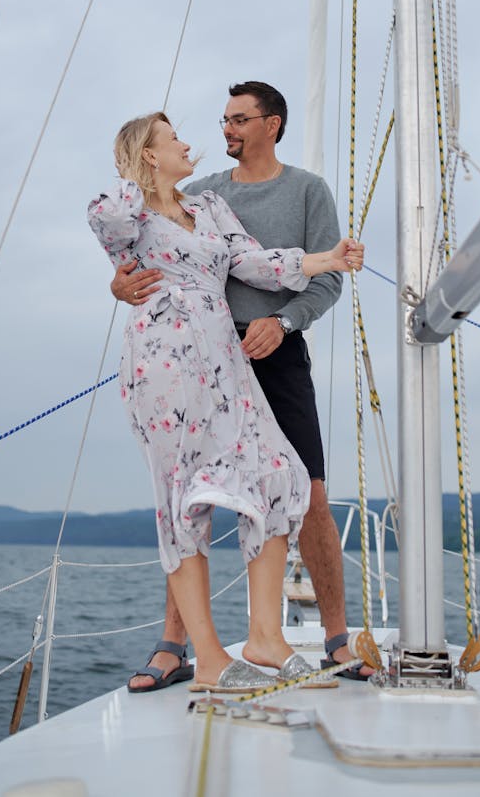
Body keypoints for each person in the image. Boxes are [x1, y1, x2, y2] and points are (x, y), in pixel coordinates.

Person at [88, 110, 363, 693]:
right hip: (162, 361)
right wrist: (137, 187)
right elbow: (108, 224)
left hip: (223, 356)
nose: (192, 143)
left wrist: (327, 260)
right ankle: (207, 657)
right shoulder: (125, 212)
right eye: (174, 138)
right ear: (149, 155)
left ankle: (265, 636)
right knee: (182, 498)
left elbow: (253, 264)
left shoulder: (209, 208)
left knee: (279, 474)